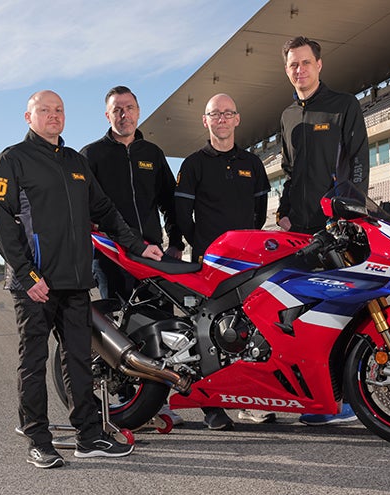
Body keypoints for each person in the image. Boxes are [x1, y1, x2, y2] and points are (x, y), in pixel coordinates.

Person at [0, 90, 163, 468]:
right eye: (45, 111)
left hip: (75, 281)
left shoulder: (74, 162)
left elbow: (106, 211)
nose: (54, 116)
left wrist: (137, 246)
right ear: (28, 117)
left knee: (79, 361)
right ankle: (37, 438)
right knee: (32, 363)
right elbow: (0, 220)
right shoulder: (12, 160)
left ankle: (89, 435)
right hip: (34, 285)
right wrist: (26, 273)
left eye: (59, 110)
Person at [278, 36, 368, 425]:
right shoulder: (285, 116)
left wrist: (351, 211)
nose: (300, 70)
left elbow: (360, 161)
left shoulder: (344, 105)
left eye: (305, 63)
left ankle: (347, 398)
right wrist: (283, 212)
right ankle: (316, 398)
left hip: (336, 227)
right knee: (303, 317)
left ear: (319, 65)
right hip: (298, 230)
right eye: (293, 65)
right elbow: (289, 172)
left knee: (342, 314)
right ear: (287, 71)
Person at [175, 93, 273, 429]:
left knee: (249, 331)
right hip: (209, 261)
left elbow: (259, 212)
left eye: (227, 113)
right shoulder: (192, 164)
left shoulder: (253, 163)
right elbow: (181, 214)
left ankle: (249, 400)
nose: (221, 119)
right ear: (206, 121)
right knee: (207, 332)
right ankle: (211, 406)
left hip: (247, 262)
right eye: (214, 114)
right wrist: (202, 246)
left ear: (237, 119)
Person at [80, 86, 184, 303]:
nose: (124, 115)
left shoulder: (153, 154)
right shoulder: (90, 155)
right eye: (117, 110)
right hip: (111, 256)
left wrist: (176, 242)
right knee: (120, 328)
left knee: (160, 322)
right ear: (108, 116)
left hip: (153, 253)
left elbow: (169, 202)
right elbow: (83, 209)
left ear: (138, 112)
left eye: (129, 108)